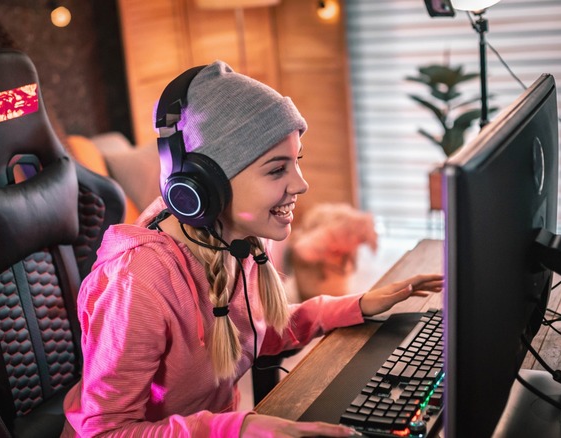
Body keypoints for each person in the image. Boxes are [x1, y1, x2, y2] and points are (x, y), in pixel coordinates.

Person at [62, 60, 443, 437]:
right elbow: (104, 432)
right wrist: (237, 428)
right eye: (277, 169)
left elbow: (257, 333)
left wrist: (355, 306)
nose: (301, 184)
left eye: (297, 162)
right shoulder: (137, 284)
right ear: (204, 186)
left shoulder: (238, 241)